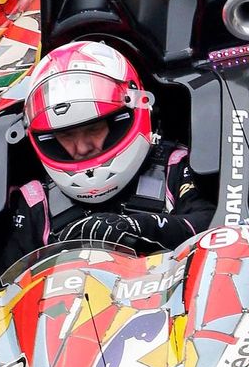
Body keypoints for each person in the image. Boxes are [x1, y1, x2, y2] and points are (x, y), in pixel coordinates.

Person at [19, 40, 215, 255]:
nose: (82, 147)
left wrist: (136, 226)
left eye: (93, 129)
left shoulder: (175, 166)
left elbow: (213, 228)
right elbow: (3, 282)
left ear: (121, 120)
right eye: (66, 135)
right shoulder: (36, 201)